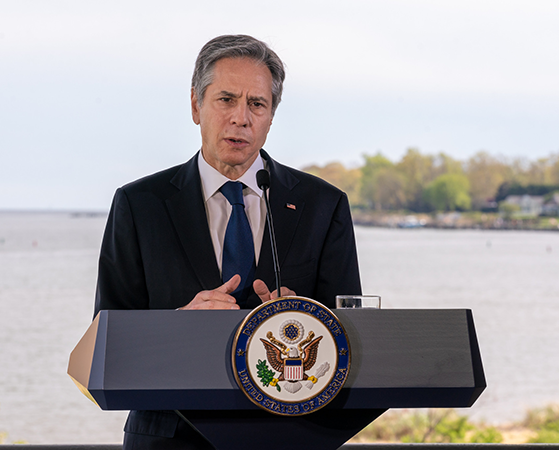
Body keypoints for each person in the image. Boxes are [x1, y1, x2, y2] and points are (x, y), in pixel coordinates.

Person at [94, 34, 361, 450]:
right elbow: (107, 343)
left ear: (272, 116)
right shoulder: (140, 203)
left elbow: (348, 336)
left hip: (289, 434)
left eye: (257, 104)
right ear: (196, 106)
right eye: (226, 100)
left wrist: (304, 318)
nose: (242, 117)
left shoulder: (323, 204)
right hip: (168, 437)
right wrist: (178, 324)